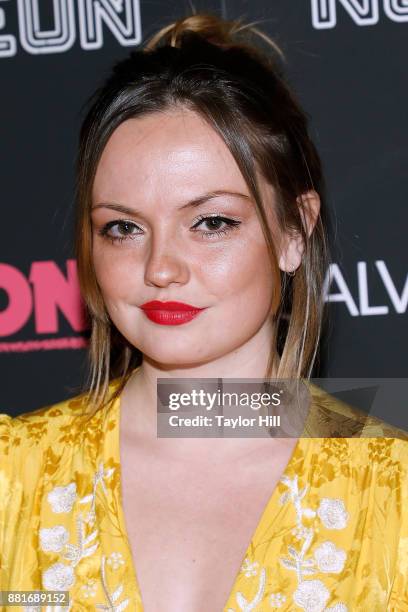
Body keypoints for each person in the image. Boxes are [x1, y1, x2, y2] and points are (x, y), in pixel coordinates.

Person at [0, 12, 407, 612]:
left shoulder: (394, 490)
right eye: (123, 227)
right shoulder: (12, 477)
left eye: (211, 222)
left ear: (295, 230)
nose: (161, 267)